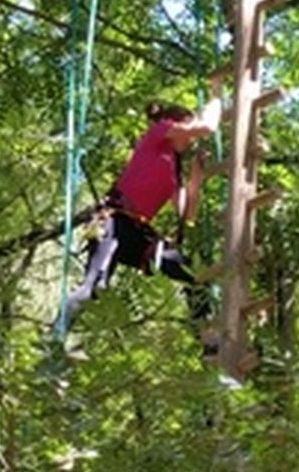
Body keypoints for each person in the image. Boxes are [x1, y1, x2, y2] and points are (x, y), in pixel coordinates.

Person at [63, 77, 223, 328]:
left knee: (190, 272)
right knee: (95, 285)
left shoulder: (173, 170)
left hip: (137, 232)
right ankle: (58, 334)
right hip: (114, 220)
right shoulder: (158, 133)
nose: (191, 140)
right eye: (189, 131)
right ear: (177, 124)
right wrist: (216, 96)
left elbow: (187, 213)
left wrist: (196, 176)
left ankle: (207, 334)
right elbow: (207, 128)